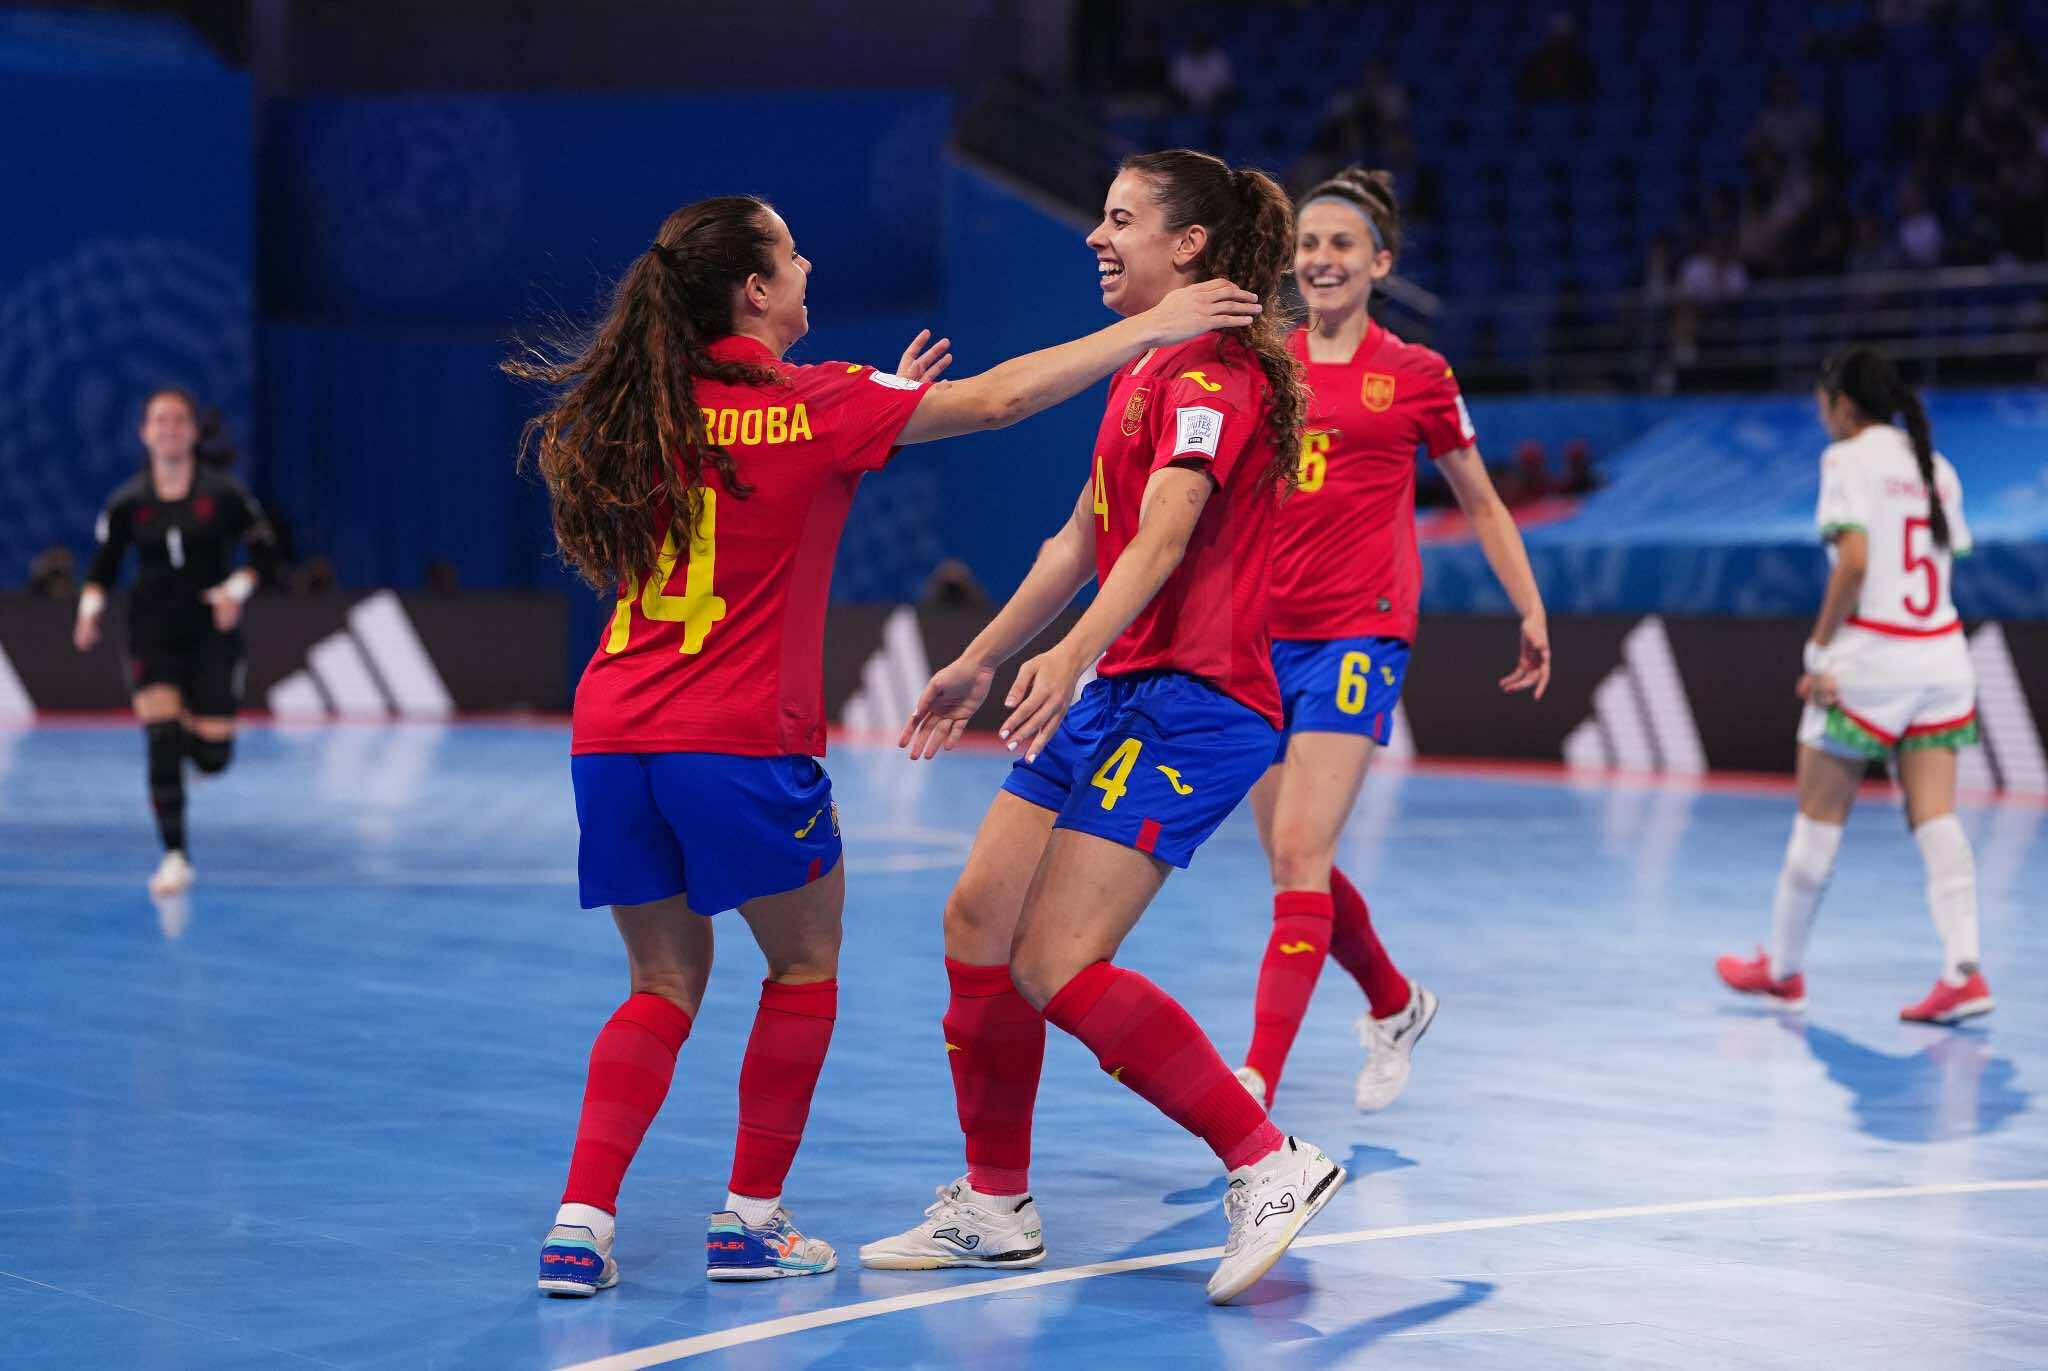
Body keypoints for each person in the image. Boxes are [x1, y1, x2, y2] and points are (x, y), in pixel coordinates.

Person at [504, 193, 1260, 1296]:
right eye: (792, 250)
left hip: (613, 731)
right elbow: (998, 402)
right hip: (740, 740)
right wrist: (1142, 328)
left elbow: (777, 458)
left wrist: (891, 397)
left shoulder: (646, 409)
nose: (810, 261)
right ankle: (749, 1221)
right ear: (756, 291)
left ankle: (580, 1225)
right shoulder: (819, 401)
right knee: (802, 968)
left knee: (658, 983)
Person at [861, 150, 1343, 1307]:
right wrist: (980, 657)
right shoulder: (1142, 370)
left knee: (1054, 962)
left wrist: (1066, 655)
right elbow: (1078, 541)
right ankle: (995, 1204)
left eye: (1120, 218)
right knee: (976, 919)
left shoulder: (1213, 380)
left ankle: (1269, 1160)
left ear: (1187, 248)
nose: (1095, 235)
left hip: (1197, 701)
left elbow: (1164, 538)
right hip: (1122, 691)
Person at [1234, 168, 1551, 1117]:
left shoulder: (1418, 374)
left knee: (1297, 851)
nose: (1322, 260)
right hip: (1259, 637)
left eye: (1341, 244)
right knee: (1302, 862)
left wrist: (1529, 607)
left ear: (1380, 262)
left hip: (1360, 631)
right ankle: (1395, 1002)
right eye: (1309, 245)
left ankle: (1255, 1083)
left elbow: (1481, 499)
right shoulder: (1264, 362)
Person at [1717, 348, 1988, 1025]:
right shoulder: (1940, 468)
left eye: (1822, 403)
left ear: (1842, 405)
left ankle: (1781, 969)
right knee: (1936, 816)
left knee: (1818, 821)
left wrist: (1820, 649)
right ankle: (1964, 969)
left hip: (1867, 666)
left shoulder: (1846, 461)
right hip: (1943, 661)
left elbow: (1857, 564)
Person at [73, 389, 277, 897]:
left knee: (212, 759)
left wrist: (237, 589)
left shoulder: (224, 494)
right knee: (161, 738)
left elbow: (267, 554)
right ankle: (175, 857)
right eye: (159, 421)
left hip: (211, 630)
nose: (168, 428)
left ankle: (195, 747)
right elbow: (102, 569)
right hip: (151, 628)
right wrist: (89, 610)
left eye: (178, 420)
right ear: (144, 432)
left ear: (192, 432)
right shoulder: (126, 503)